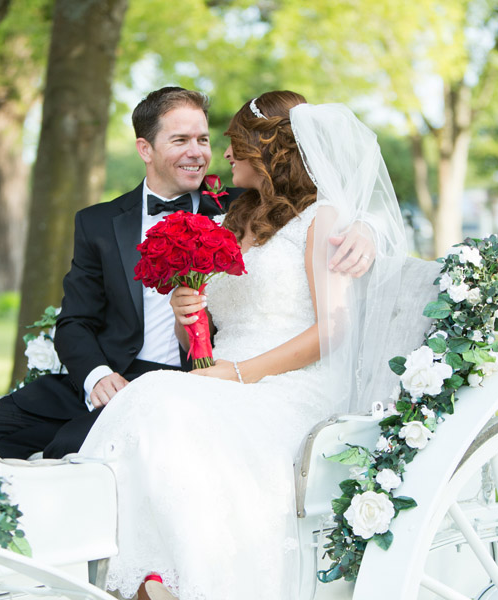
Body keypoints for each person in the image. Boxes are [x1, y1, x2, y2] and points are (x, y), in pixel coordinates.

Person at [77, 91, 407, 600]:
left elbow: (332, 330)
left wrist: (237, 375)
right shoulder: (235, 217)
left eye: (235, 144)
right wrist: (187, 314)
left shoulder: (322, 219)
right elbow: (216, 324)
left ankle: (179, 581)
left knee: (161, 399)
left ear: (271, 151)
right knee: (149, 401)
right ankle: (151, 574)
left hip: (289, 382)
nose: (223, 156)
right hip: (223, 373)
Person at [0, 87, 376, 461]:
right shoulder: (98, 223)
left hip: (198, 380)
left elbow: (322, 204)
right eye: (181, 140)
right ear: (145, 149)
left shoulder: (245, 205)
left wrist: (365, 229)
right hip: (115, 375)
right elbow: (75, 321)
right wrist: (97, 376)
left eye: (203, 139)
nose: (201, 153)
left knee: (74, 448)